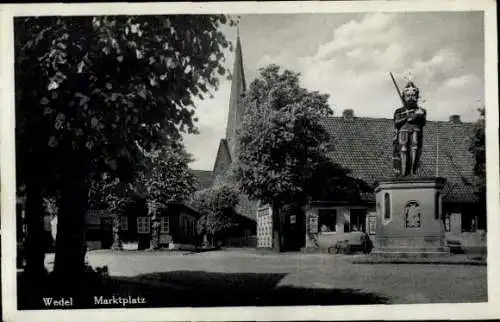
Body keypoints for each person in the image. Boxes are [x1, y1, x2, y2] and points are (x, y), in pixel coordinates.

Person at [393, 82, 427, 176]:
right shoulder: (399, 111)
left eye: (413, 95)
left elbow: (422, 122)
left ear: (416, 96)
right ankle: (403, 172)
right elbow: (396, 122)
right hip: (403, 132)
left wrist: (415, 117)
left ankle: (412, 172)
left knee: (414, 149)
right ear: (404, 97)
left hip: (416, 131)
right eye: (408, 95)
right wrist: (406, 118)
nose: (411, 97)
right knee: (403, 149)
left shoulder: (421, 110)